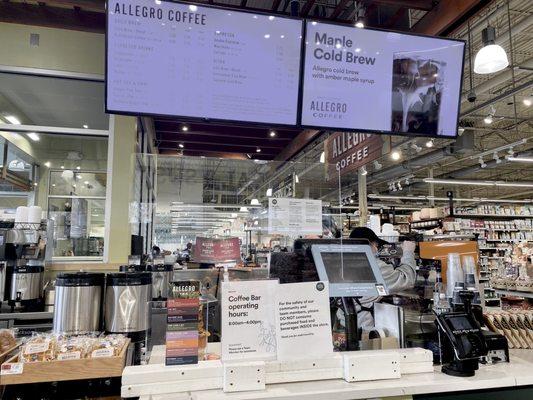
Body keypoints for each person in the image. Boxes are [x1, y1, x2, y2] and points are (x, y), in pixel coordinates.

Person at [348, 227, 417, 330]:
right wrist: (408, 252)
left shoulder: (345, 261)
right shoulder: (374, 265)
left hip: (344, 321)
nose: (377, 249)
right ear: (369, 244)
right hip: (363, 326)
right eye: (376, 245)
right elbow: (406, 279)